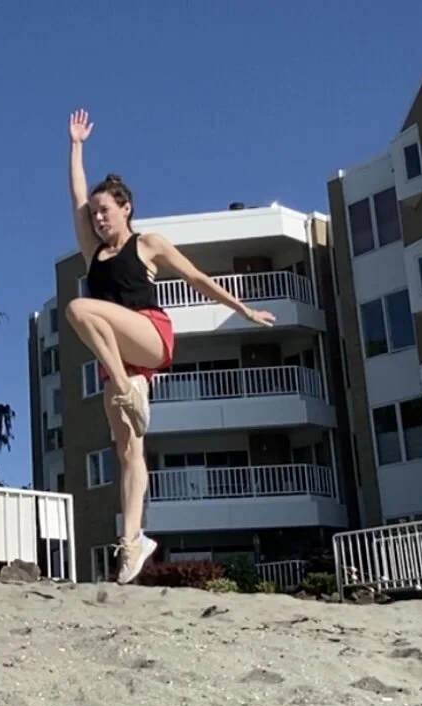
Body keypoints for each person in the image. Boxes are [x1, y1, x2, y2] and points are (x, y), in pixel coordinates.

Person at [65, 108, 276, 586]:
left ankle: (125, 387)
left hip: (149, 337)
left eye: (106, 210)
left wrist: (241, 310)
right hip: (119, 363)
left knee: (79, 310)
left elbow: (196, 276)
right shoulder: (92, 252)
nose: (97, 217)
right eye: (94, 213)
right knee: (127, 452)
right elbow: (76, 194)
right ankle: (134, 540)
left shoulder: (148, 244)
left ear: (126, 209)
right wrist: (76, 146)